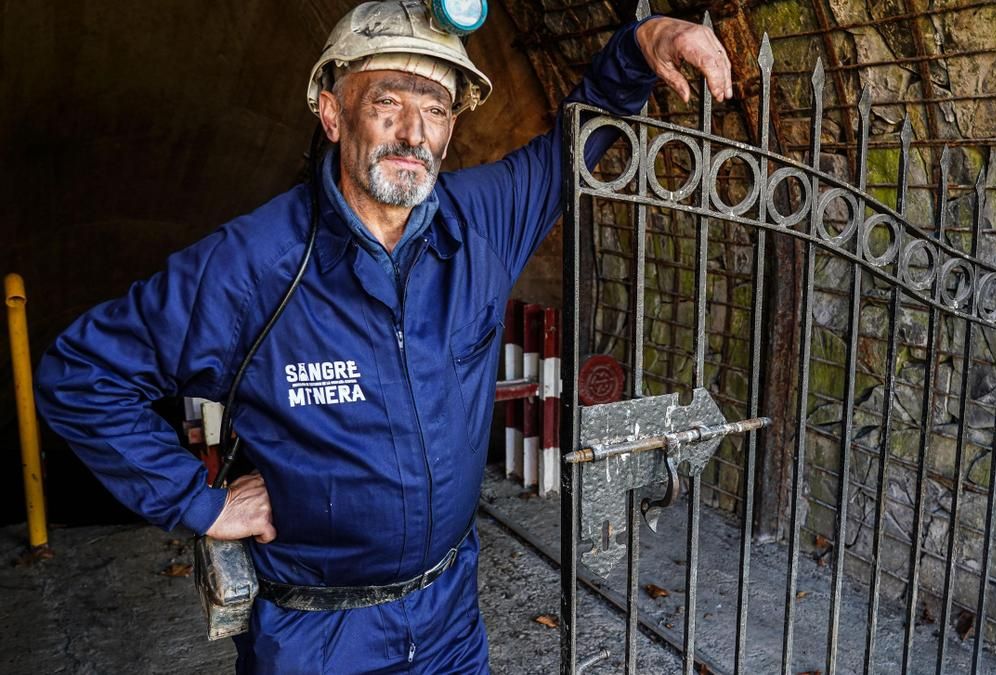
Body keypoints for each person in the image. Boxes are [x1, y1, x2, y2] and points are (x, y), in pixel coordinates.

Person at [34, 1, 732, 671]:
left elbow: (577, 138)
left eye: (435, 110)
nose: (414, 133)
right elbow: (83, 377)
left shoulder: (478, 226)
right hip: (317, 633)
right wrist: (202, 502)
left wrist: (644, 45)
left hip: (450, 615)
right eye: (388, 103)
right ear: (333, 114)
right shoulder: (252, 264)